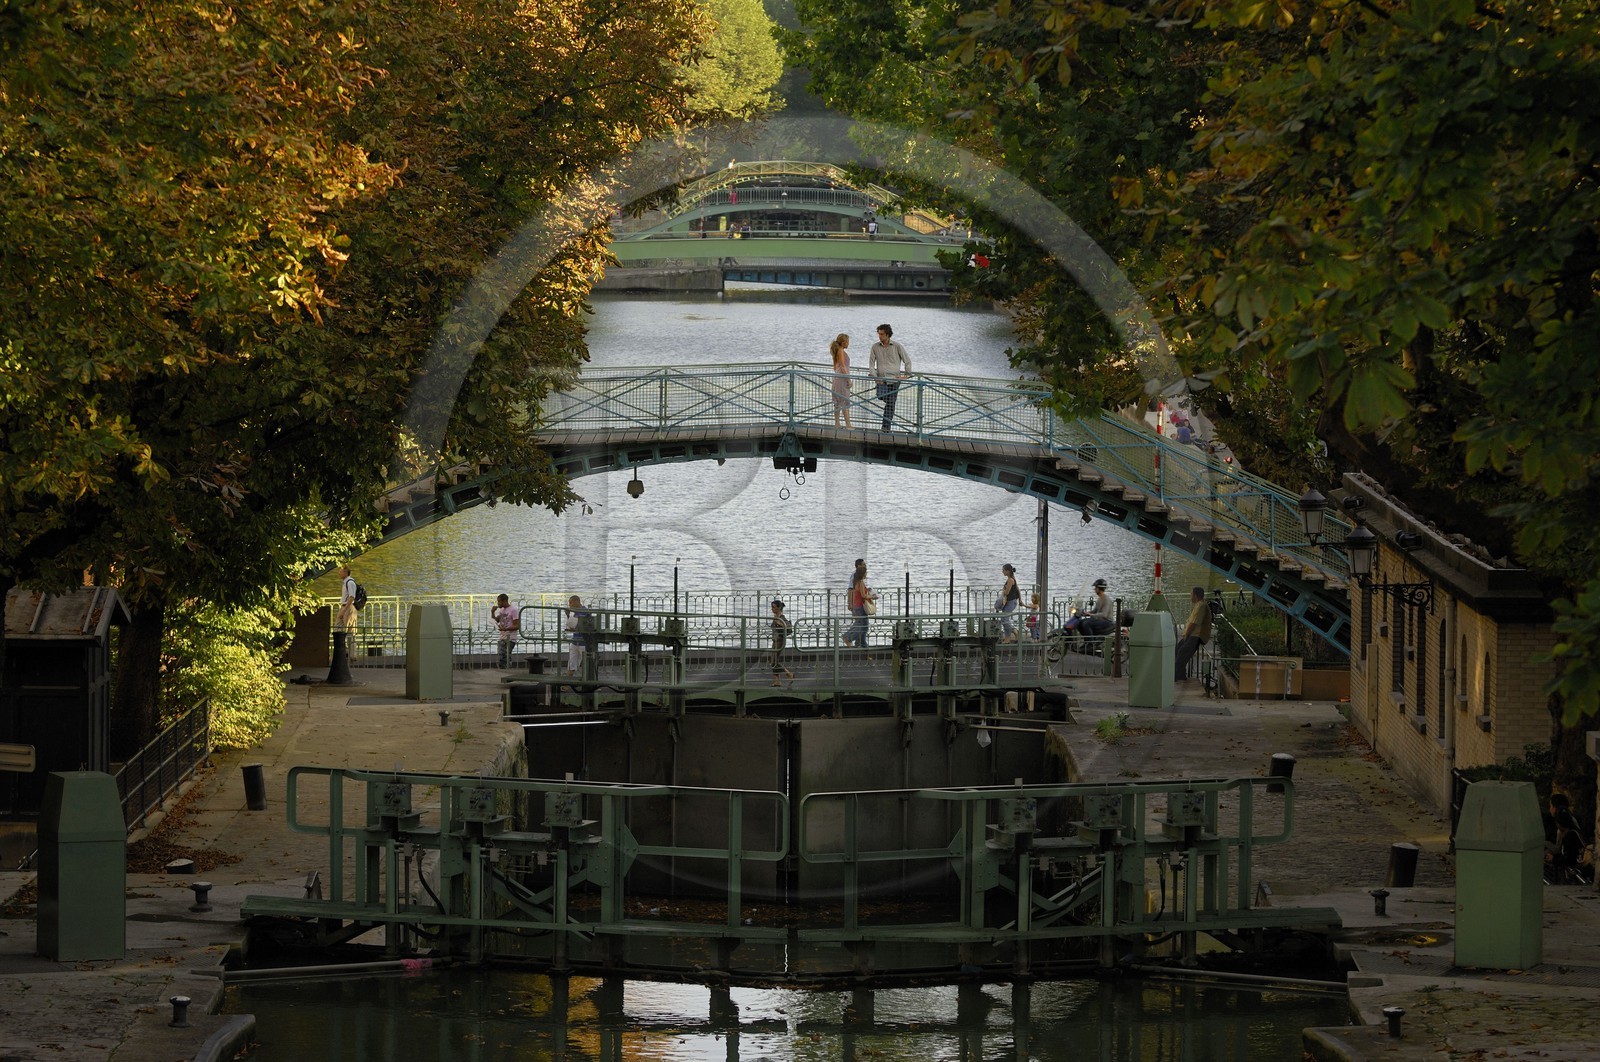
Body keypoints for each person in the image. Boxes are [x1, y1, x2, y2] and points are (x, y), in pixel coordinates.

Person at [869, 323, 912, 431]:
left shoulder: (897, 346)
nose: (879, 336)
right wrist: (875, 377)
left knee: (891, 404)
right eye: (879, 334)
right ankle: (887, 421)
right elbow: (871, 364)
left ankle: (885, 428)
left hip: (894, 380)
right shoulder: (875, 347)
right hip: (881, 380)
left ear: (888, 335)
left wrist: (906, 375)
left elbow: (907, 360)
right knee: (881, 396)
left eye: (882, 334)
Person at [1174, 586, 1213, 682]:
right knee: (1178, 650)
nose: (1190, 596)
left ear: (1195, 595)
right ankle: (1180, 675)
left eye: (1191, 594)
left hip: (1197, 635)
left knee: (1182, 653)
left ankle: (1178, 677)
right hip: (1192, 634)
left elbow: (1195, 623)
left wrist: (1187, 633)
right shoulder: (1198, 605)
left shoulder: (1201, 606)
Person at [845, 559, 875, 648]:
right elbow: (851, 590)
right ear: (858, 566)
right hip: (858, 605)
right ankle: (849, 638)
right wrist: (850, 604)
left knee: (861, 625)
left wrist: (867, 590)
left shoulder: (858, 579)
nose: (865, 566)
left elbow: (858, 590)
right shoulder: (856, 577)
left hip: (858, 604)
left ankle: (860, 643)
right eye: (863, 564)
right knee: (862, 625)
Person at [829, 333, 853, 428]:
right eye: (847, 342)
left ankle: (837, 423)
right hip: (842, 378)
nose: (848, 344)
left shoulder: (836, 351)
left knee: (838, 401)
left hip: (837, 377)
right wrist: (848, 380)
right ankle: (848, 425)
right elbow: (843, 366)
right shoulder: (841, 351)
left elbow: (835, 367)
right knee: (845, 401)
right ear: (843, 343)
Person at [769, 600, 795, 687]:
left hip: (779, 641)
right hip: (775, 640)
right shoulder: (776, 617)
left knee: (774, 662)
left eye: (774, 607)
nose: (772, 609)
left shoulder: (782, 618)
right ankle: (777, 681)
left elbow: (788, 626)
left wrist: (780, 623)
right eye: (772, 607)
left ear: (779, 608)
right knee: (773, 661)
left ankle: (789, 673)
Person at [491, 593, 521, 669]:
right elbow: (496, 620)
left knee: (505, 656)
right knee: (501, 656)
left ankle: (507, 671)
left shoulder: (513, 610)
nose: (498, 603)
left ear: (505, 601)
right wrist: (492, 612)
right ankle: (504, 671)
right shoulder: (501, 610)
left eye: (499, 601)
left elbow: (517, 625)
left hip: (510, 638)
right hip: (502, 636)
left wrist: (506, 629)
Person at [564, 595, 589, 676]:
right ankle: (567, 682)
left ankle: (587, 680)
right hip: (575, 641)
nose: (570, 605)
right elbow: (575, 624)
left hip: (583, 642)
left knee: (586, 663)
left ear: (576, 602)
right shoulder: (575, 613)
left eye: (571, 603)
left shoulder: (585, 612)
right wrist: (568, 615)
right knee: (571, 663)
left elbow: (585, 626)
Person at [997, 563, 1021, 641]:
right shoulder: (1011, 579)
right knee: (1005, 619)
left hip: (1011, 602)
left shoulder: (1010, 580)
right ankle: (1007, 638)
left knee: (1004, 619)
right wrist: (1020, 600)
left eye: (1003, 570)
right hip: (1009, 602)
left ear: (1007, 571)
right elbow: (1018, 590)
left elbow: (1007, 592)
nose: (1002, 571)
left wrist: (1003, 591)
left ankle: (1015, 631)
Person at [336, 565, 358, 634]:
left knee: (347, 631)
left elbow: (351, 597)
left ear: (345, 572)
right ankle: (341, 643)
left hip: (348, 607)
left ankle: (348, 644)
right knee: (339, 628)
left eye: (340, 571)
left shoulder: (350, 583)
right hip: (345, 607)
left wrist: (344, 610)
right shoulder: (346, 582)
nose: (339, 573)